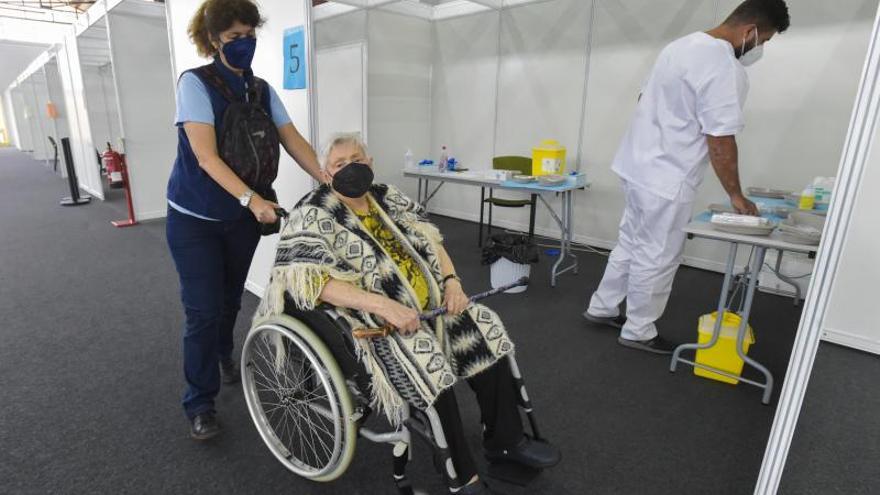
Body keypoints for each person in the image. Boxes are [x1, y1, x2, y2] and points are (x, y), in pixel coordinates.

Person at [255, 134, 561, 494]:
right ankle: (461, 476)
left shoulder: (388, 196)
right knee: (426, 362)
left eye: (357, 158)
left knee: (485, 330)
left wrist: (451, 282)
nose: (350, 167)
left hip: (432, 307)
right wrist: (385, 306)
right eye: (339, 164)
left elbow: (431, 240)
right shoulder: (313, 212)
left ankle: (506, 440)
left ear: (369, 161)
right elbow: (310, 283)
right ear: (325, 172)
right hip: (372, 321)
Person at [583, 0, 790, 354]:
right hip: (666, 177)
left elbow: (642, 97)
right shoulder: (724, 66)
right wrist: (736, 196)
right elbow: (721, 140)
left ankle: (601, 307)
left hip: (635, 165)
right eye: (764, 40)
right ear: (750, 30)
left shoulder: (679, 46)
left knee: (631, 242)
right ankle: (638, 330)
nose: (760, 48)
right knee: (658, 255)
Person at [165, 0, 323, 440]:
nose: (244, 44)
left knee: (231, 299)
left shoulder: (261, 90)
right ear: (214, 40)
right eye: (234, 38)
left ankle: (221, 351)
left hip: (241, 219)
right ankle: (200, 402)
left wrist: (328, 177)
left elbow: (293, 140)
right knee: (201, 310)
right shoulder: (194, 84)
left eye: (250, 35)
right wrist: (252, 199)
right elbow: (206, 157)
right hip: (194, 219)